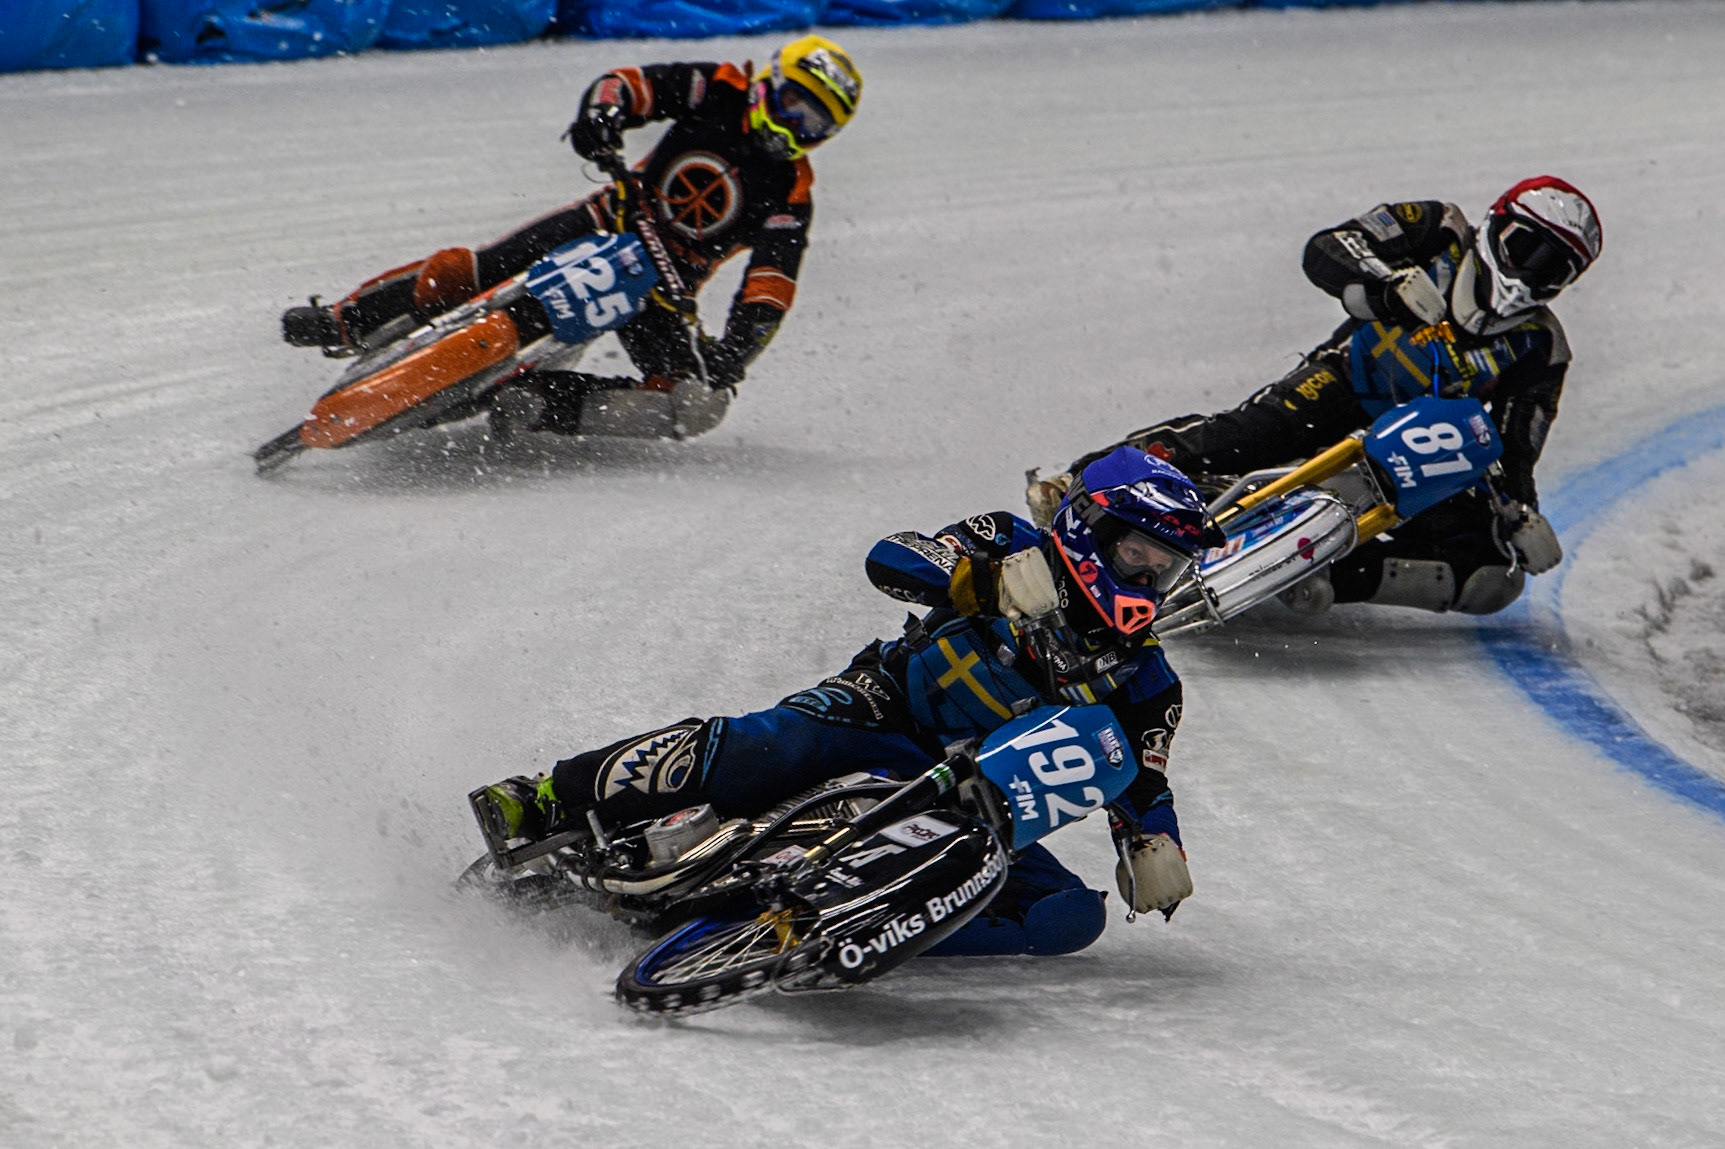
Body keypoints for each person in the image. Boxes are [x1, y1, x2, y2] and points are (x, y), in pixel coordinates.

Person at [474, 447, 1226, 957]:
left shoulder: (1149, 678)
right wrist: (982, 583)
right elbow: (893, 556)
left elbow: (1139, 775)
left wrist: (1152, 844)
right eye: (1137, 553)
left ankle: (833, 925)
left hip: (978, 795)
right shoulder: (1007, 540)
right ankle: (548, 796)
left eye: (1165, 566)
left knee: (1065, 917)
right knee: (767, 747)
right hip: (880, 709)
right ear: (1091, 527)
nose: (1149, 576)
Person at [1031, 177, 1602, 616]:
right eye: (1527, 249)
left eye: (1554, 269)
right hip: (1347, 380)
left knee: (1494, 576)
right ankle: (1084, 482)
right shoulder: (1437, 229)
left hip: (1416, 458)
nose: (1531, 275)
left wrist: (1521, 517)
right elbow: (1328, 248)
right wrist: (1386, 286)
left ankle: (1323, 574)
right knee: (1244, 435)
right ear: (1496, 225)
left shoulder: (1541, 348)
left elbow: (1515, 450)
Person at [280, 35, 862, 440]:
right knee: (472, 272)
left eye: (813, 123)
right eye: (792, 104)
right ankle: (345, 318)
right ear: (771, 84)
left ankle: (544, 408)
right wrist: (601, 119)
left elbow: (771, 288)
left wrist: (733, 356)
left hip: (664, 287)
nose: (794, 126)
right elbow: (628, 86)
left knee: (696, 406)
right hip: (611, 217)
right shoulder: (720, 86)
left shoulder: (792, 191)